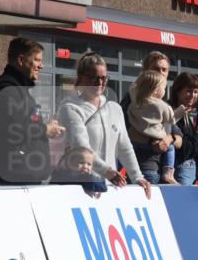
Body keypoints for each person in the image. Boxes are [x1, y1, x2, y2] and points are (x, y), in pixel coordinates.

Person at [57, 52, 151, 197]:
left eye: (103, 78)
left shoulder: (115, 108)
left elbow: (124, 147)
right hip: (81, 188)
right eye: (94, 78)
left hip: (109, 187)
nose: (100, 83)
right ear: (81, 77)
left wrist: (137, 177)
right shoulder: (70, 107)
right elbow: (81, 147)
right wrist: (107, 171)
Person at [0, 37, 65, 184]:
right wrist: (45, 129)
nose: (42, 66)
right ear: (21, 60)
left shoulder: (17, 90)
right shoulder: (7, 90)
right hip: (11, 181)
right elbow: (14, 129)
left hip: (20, 178)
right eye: (37, 60)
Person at [126, 70, 185, 185]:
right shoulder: (161, 105)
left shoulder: (135, 99)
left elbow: (133, 87)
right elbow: (172, 119)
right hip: (154, 145)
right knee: (170, 148)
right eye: (163, 88)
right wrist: (182, 110)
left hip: (134, 143)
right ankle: (168, 171)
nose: (164, 91)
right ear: (157, 90)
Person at [120, 51, 170, 116]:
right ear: (145, 71)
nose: (160, 73)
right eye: (156, 69)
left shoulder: (164, 101)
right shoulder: (132, 97)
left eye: (164, 70)